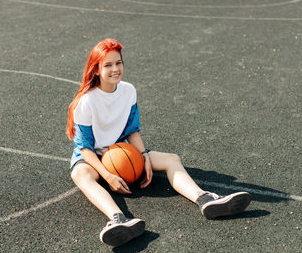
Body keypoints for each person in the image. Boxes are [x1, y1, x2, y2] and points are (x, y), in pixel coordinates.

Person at [66, 38, 251, 247]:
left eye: (118, 63)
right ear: (96, 69)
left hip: (121, 152)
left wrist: (144, 156)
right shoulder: (87, 101)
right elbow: (85, 149)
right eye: (108, 65)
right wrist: (108, 176)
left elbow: (132, 131)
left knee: (172, 159)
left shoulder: (128, 91)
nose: (115, 69)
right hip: (94, 158)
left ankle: (205, 199)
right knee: (80, 175)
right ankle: (117, 219)